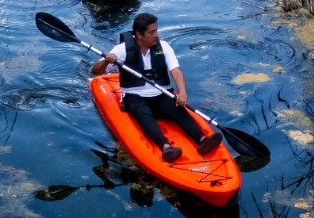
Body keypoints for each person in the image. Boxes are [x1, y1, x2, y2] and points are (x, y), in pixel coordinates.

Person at [92, 12, 224, 161]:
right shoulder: (121, 50)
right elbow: (96, 71)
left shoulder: (164, 46)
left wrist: (182, 92)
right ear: (139, 34)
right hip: (134, 95)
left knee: (178, 109)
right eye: (152, 32)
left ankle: (202, 140)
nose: (156, 35)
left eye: (156, 30)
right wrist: (106, 61)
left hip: (161, 93)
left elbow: (176, 71)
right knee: (143, 113)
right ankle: (166, 148)